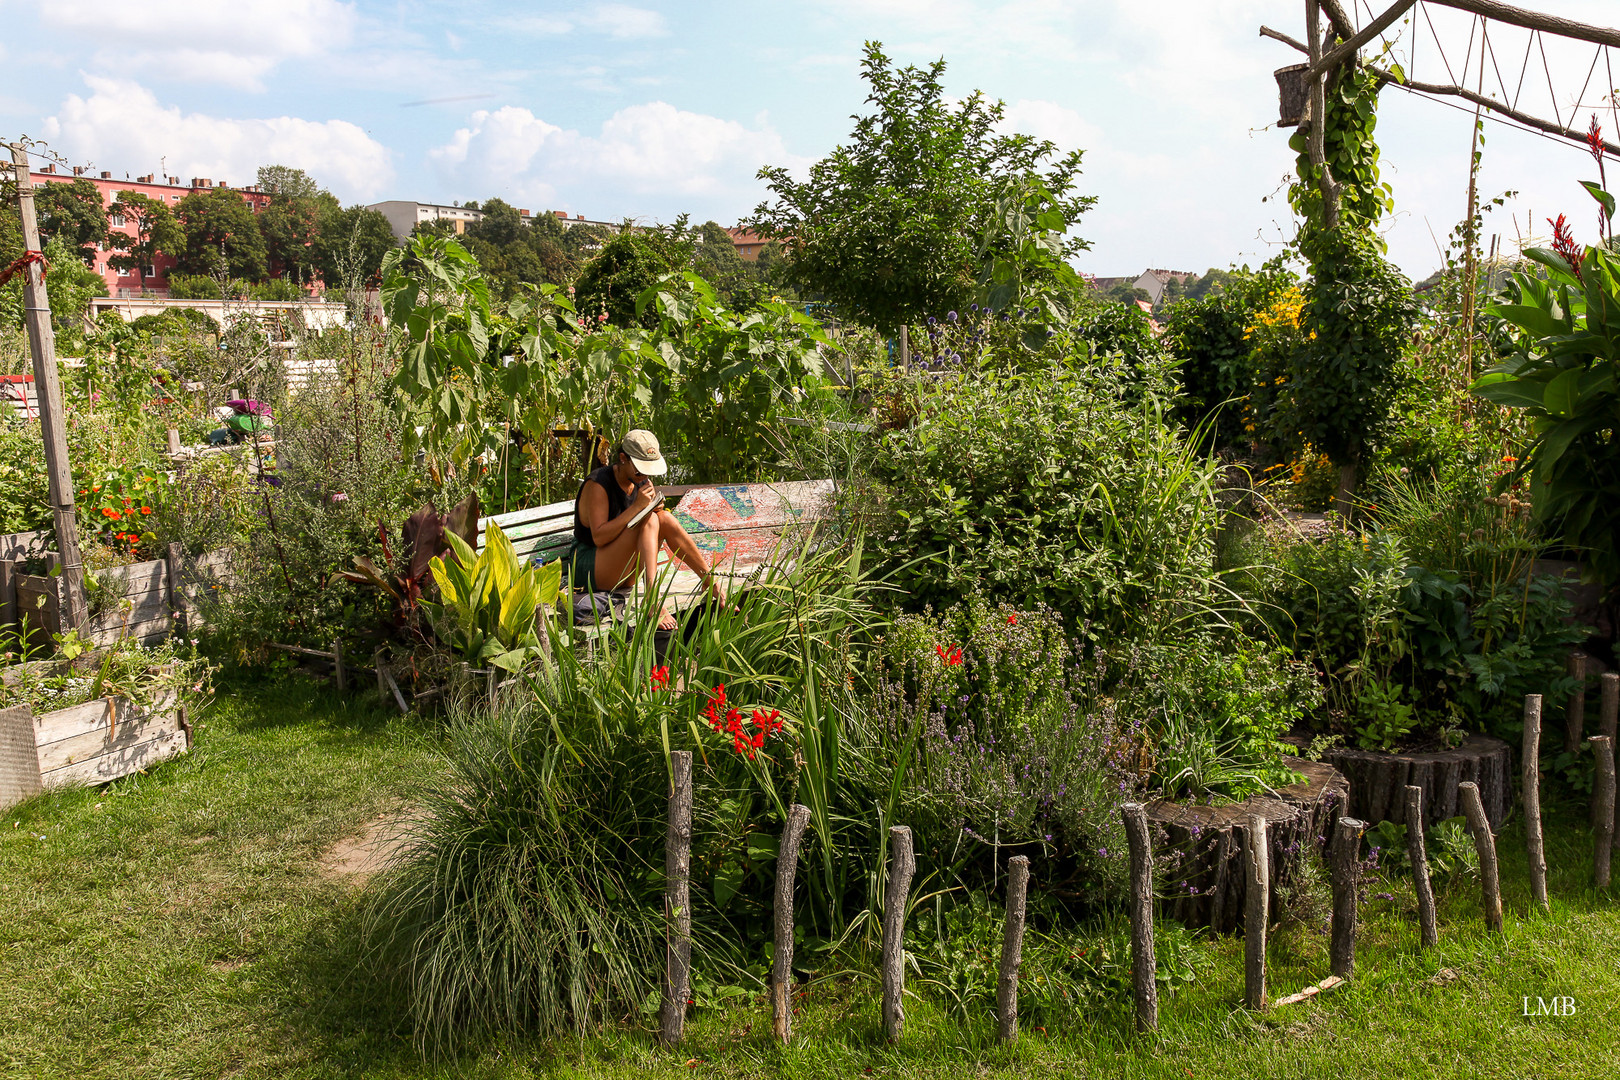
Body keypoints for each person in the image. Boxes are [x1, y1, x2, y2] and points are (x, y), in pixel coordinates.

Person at [563, 430, 723, 630]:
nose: (644, 476)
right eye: (640, 470)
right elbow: (599, 537)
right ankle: (652, 601)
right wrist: (637, 508)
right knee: (651, 520)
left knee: (663, 518)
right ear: (623, 459)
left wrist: (651, 507)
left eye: (649, 470)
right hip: (589, 567)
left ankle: (710, 582)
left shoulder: (639, 480)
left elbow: (646, 519)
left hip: (621, 568)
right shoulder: (598, 484)